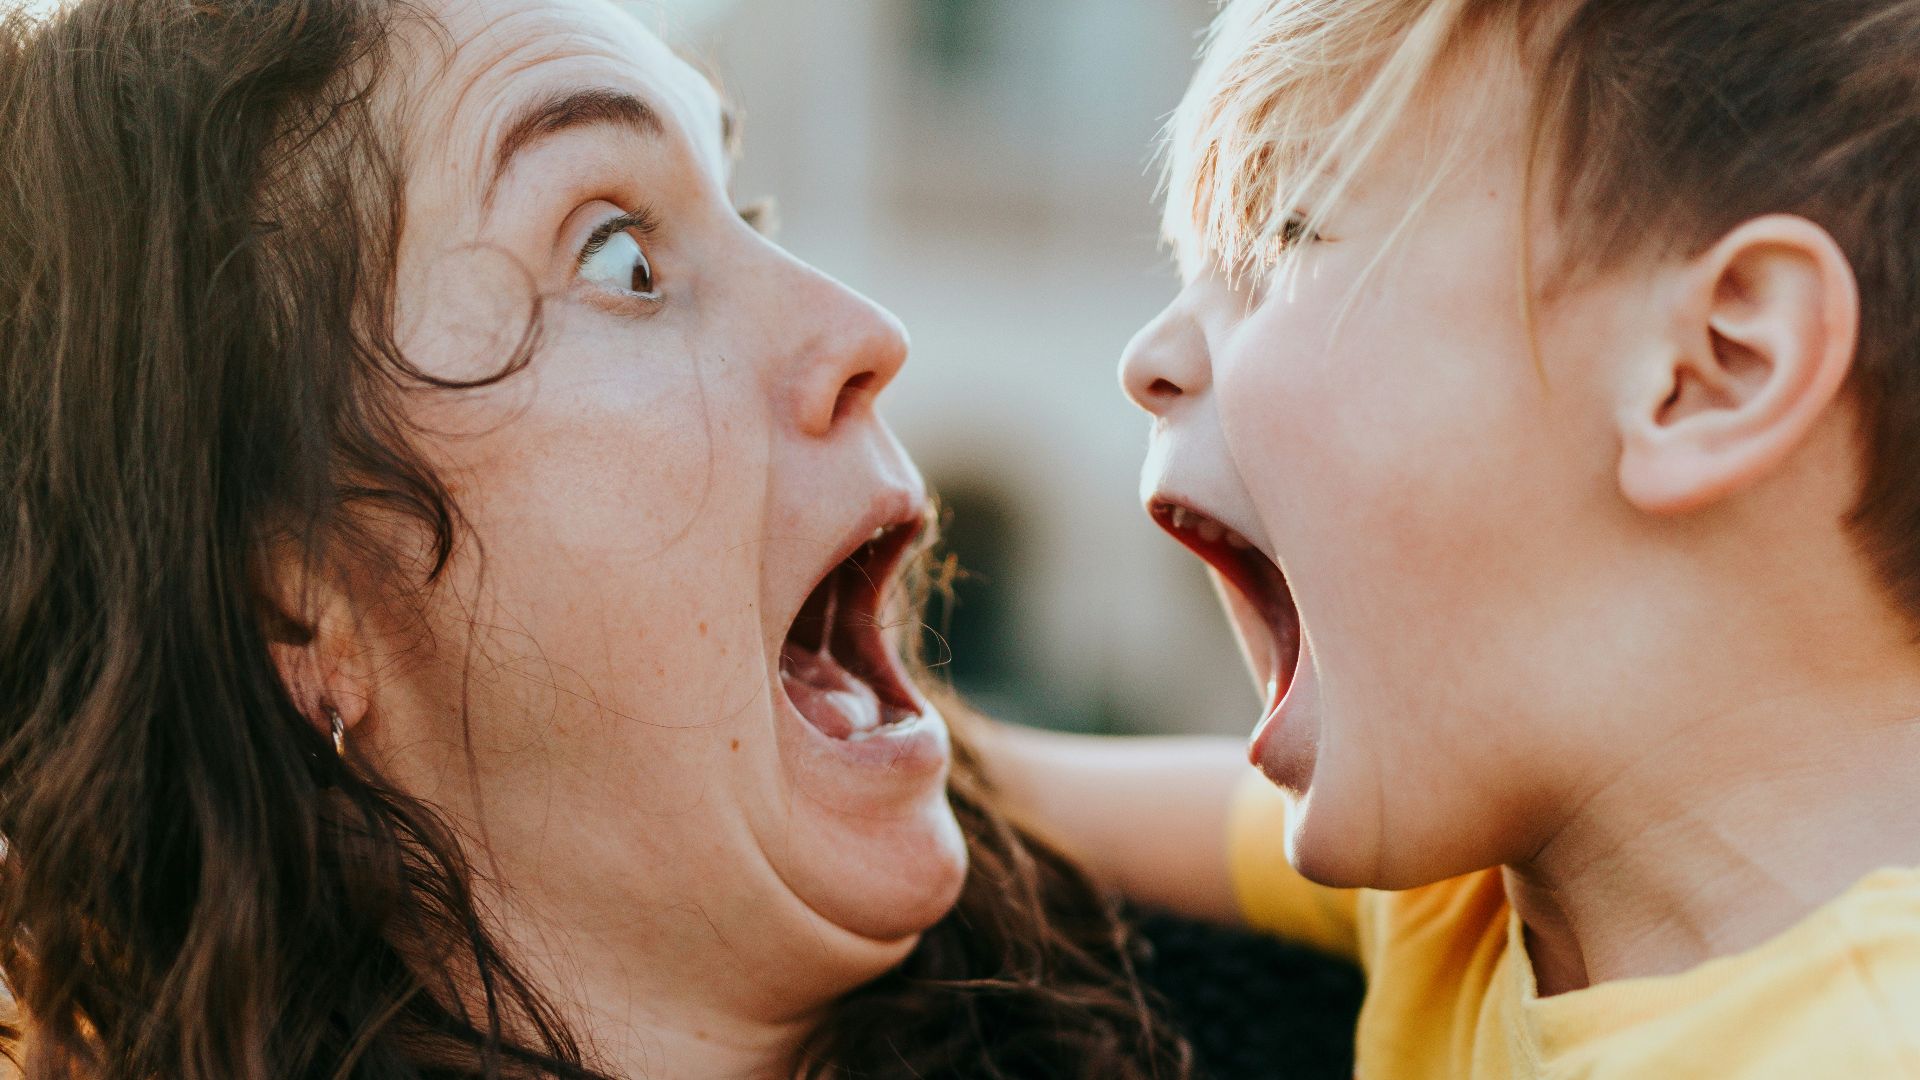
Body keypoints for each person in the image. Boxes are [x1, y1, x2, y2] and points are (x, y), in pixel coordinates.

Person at [0, 1, 1192, 1076]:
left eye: (749, 209)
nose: (866, 328)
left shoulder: (1301, 998)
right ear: (295, 611)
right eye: (622, 257)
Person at [988, 0, 1920, 1075]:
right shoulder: (1464, 893)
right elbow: (999, 790)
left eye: (1283, 236)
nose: (1146, 356)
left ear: (1713, 365)